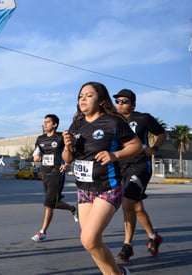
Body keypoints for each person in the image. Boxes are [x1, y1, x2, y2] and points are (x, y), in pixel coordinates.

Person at [62, 82, 142, 275]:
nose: (83, 99)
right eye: (80, 95)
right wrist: (67, 147)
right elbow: (68, 159)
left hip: (108, 186)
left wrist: (114, 156)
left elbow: (136, 146)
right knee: (91, 242)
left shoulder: (113, 122)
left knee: (88, 239)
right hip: (84, 189)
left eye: (89, 95)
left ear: (101, 100)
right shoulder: (77, 124)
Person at [113, 89, 166, 262]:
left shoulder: (143, 118)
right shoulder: (113, 120)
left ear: (133, 104)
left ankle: (127, 245)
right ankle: (153, 237)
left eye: (124, 101)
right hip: (121, 167)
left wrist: (154, 148)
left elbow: (161, 133)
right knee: (136, 207)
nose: (120, 104)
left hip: (140, 165)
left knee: (127, 202)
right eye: (118, 101)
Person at [31, 114, 78, 243]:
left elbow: (71, 152)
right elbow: (36, 154)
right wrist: (36, 158)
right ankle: (72, 209)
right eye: (44, 122)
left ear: (55, 124)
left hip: (58, 173)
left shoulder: (61, 137)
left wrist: (68, 164)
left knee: (48, 203)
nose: (44, 124)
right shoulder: (40, 138)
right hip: (45, 173)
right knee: (52, 202)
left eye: (47, 122)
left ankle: (42, 232)